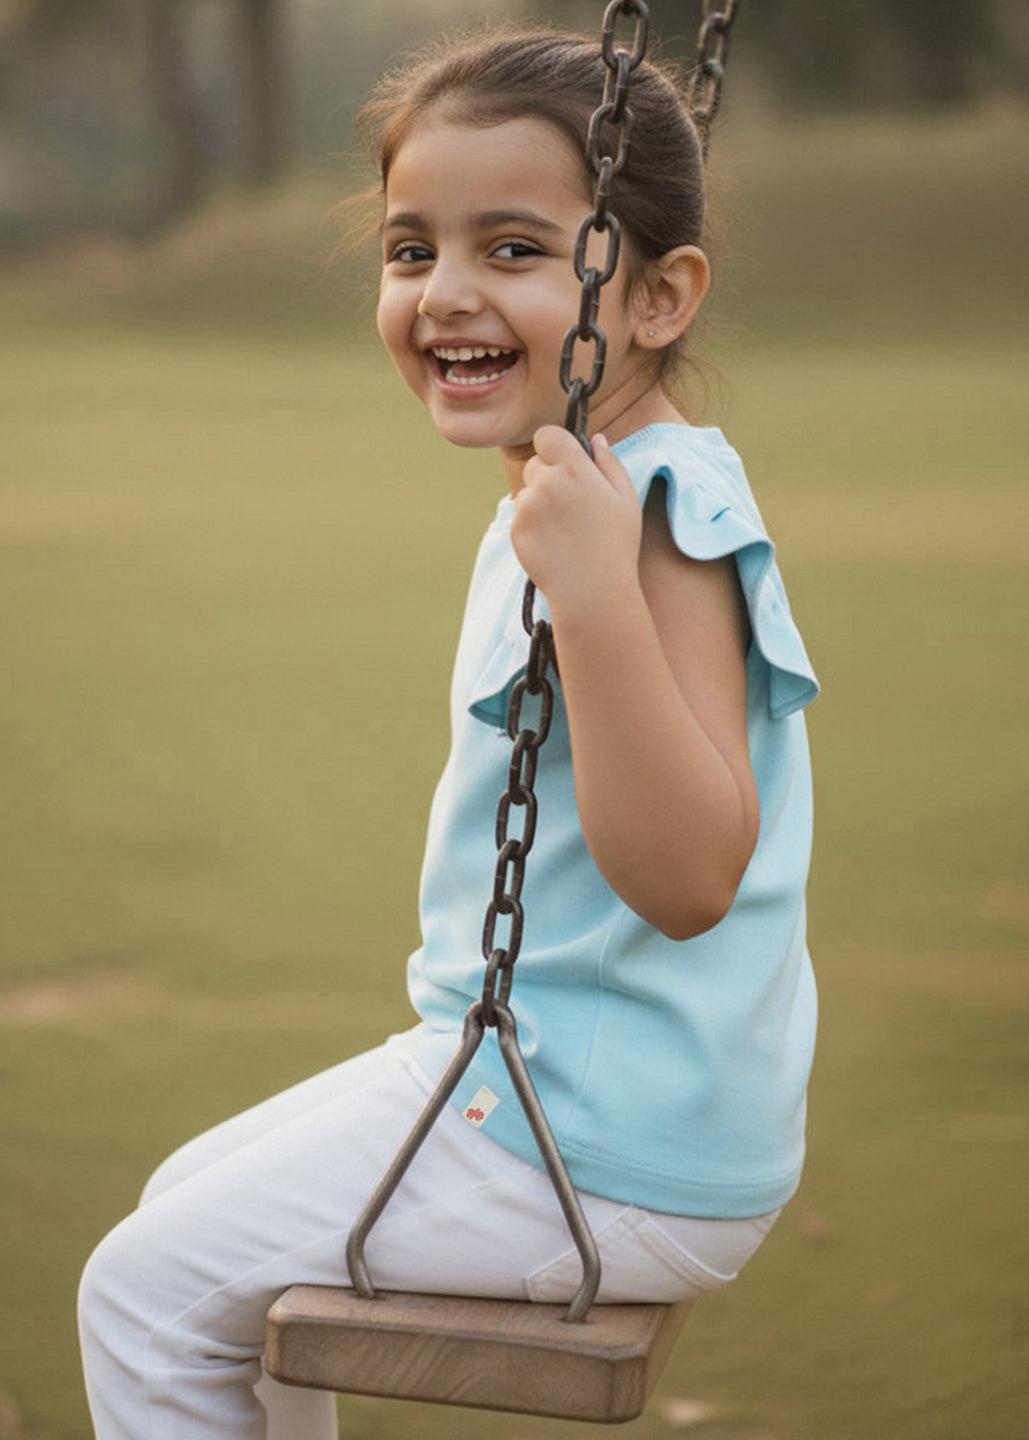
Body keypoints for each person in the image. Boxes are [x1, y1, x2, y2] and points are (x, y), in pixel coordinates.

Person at [78, 27, 819, 1440]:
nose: (448, 292)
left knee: (144, 1294)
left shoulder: (655, 516)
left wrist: (593, 595)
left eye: (515, 250)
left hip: (603, 1141)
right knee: (182, 1212)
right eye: (412, 249)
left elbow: (690, 878)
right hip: (533, 1083)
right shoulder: (586, 483)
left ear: (658, 297)